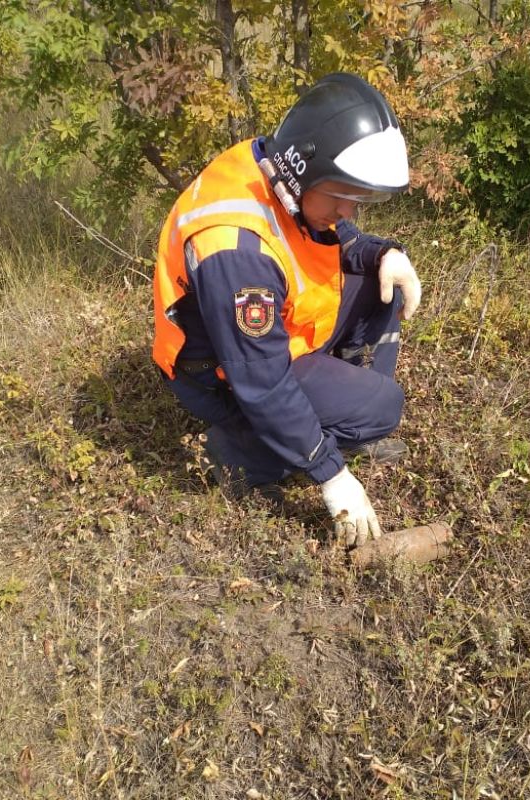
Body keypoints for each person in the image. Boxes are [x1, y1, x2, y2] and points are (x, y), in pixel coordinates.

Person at [152, 72, 421, 547]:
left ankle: (339, 418)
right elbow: (262, 381)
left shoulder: (276, 171)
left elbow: (329, 239)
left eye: (357, 200)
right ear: (306, 173)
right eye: (343, 197)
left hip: (268, 342)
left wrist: (383, 254)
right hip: (220, 372)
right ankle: (239, 454)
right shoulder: (238, 254)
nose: (349, 213)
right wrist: (330, 473)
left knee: (384, 284)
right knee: (384, 406)